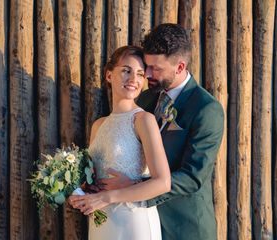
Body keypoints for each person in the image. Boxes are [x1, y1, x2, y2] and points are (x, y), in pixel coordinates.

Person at [94, 23, 225, 240]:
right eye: (147, 65)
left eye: (156, 68)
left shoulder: (206, 109)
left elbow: (193, 177)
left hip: (184, 226)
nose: (147, 73)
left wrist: (135, 186)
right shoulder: (145, 99)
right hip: (139, 222)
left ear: (180, 67)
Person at [69, 46, 171, 240]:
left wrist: (105, 197)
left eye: (140, 74)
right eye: (126, 71)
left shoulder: (143, 120)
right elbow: (94, 178)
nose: (133, 79)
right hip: (102, 220)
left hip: (133, 221)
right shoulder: (98, 125)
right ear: (109, 75)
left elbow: (163, 183)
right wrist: (80, 192)